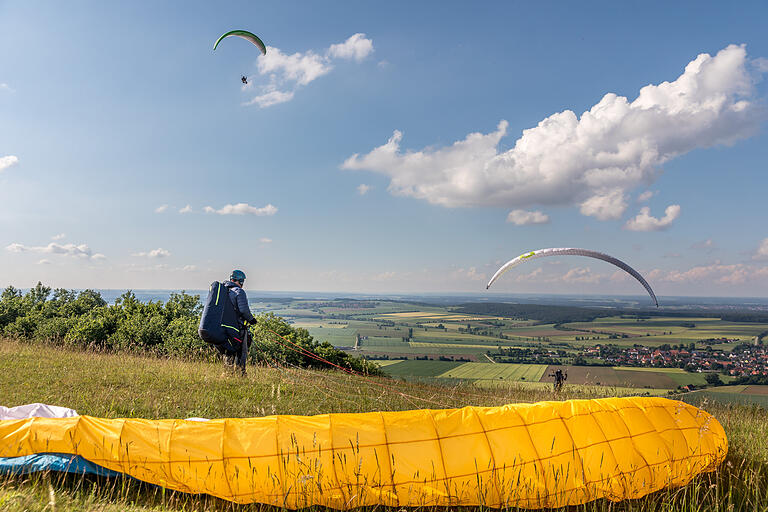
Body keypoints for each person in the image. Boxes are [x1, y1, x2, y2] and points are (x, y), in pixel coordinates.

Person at [221, 269, 256, 373]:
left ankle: (228, 373)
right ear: (240, 281)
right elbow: (244, 310)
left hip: (224, 327)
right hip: (238, 327)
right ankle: (240, 373)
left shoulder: (224, 290)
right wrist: (252, 320)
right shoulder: (238, 291)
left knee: (229, 351)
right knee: (241, 351)